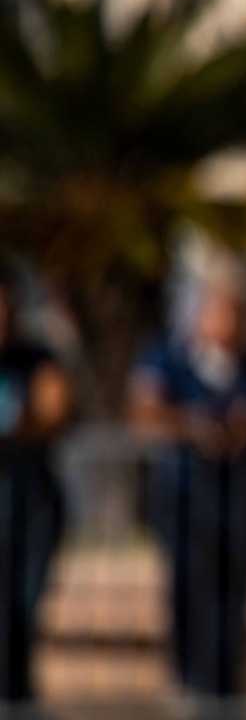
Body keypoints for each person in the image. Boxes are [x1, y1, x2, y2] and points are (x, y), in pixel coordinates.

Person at [128, 279, 246, 695]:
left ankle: (223, 692)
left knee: (233, 601)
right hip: (183, 500)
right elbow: (144, 410)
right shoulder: (169, 358)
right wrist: (194, 427)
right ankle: (189, 686)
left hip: (238, 504)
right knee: (187, 594)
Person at [0, 270, 71, 702]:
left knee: (23, 608)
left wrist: (24, 425)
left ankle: (17, 698)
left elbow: (52, 410)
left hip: (30, 502)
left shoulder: (36, 357)